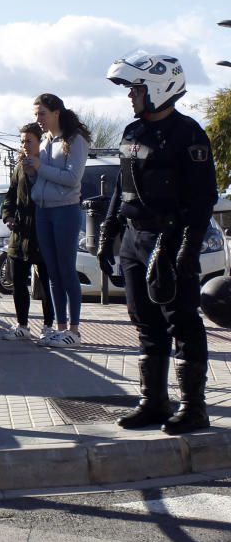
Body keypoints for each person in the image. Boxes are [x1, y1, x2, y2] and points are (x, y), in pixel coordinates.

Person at [99, 51, 217, 434]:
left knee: (181, 321)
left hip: (170, 239)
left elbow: (203, 199)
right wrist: (108, 231)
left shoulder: (189, 135)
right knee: (144, 322)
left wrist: (187, 249)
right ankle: (154, 402)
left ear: (158, 87)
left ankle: (194, 409)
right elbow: (122, 185)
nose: (129, 95)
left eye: (135, 88)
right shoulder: (132, 132)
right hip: (134, 240)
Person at [29, 93, 90, 347]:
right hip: (43, 210)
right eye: (35, 114)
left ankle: (74, 330)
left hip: (65, 210)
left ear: (56, 113)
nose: (38, 119)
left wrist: (40, 167)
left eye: (42, 113)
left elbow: (72, 178)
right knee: (52, 274)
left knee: (67, 271)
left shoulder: (75, 139)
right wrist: (31, 172)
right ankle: (60, 327)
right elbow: (41, 181)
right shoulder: (45, 141)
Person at [0, 123, 55, 341]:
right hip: (20, 234)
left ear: (40, 141)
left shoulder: (48, 163)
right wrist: (8, 216)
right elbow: (10, 196)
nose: (24, 145)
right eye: (22, 141)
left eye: (29, 140)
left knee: (48, 283)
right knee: (19, 282)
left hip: (42, 232)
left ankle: (49, 325)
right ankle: (22, 325)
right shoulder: (19, 166)